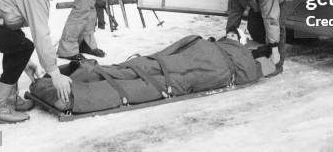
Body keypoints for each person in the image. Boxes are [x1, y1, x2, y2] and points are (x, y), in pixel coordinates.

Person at [29, 32, 277, 113]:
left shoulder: (229, 44)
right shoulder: (250, 64)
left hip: (194, 61)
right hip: (204, 68)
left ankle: (70, 79)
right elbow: (268, 67)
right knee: (148, 82)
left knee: (135, 70)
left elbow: (185, 44)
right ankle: (71, 94)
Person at [211, 0, 311, 74]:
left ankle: (276, 63)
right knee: (254, 25)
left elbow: (271, 17)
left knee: (277, 21)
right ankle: (264, 54)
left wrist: (274, 47)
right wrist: (231, 33)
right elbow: (235, 11)